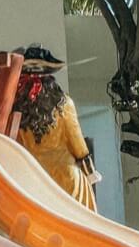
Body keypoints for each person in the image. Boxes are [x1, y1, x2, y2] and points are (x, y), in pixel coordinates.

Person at [12, 45, 98, 211]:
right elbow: (78, 146)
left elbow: (17, 145)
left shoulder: (17, 107)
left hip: (35, 178)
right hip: (66, 176)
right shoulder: (63, 103)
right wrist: (90, 172)